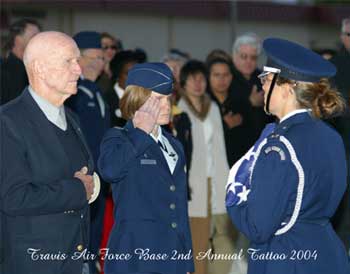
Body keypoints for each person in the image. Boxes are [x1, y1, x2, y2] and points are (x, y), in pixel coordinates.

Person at [226, 37, 349, 274]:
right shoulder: (331, 136)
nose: (262, 85)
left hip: (287, 257)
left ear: (288, 88)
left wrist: (234, 195)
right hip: (326, 253)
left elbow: (257, 226)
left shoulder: (280, 145)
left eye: (268, 79)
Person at [0, 31, 96, 274]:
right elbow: (13, 197)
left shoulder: (72, 119)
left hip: (76, 258)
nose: (78, 70)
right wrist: (77, 190)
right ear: (40, 68)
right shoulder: (8, 122)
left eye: (78, 61)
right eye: (69, 61)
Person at [98, 62, 194, 274]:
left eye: (169, 98)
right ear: (137, 99)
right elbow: (110, 171)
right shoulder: (118, 138)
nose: (167, 105)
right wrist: (140, 132)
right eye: (158, 99)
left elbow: (179, 206)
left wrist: (187, 261)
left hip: (171, 256)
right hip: (135, 254)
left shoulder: (174, 145)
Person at [178, 60, 234, 274]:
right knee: (198, 245)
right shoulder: (178, 110)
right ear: (183, 83)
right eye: (193, 78)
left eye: (201, 78)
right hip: (194, 185)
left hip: (218, 181)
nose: (198, 83)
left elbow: (220, 148)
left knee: (224, 245)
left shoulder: (212, 108)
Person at [66, 31, 110, 274]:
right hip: (83, 176)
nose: (96, 62)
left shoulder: (96, 91)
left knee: (95, 235)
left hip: (100, 177)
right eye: (90, 57)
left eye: (101, 58)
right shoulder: (75, 93)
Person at [230, 33, 271, 165]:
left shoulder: (263, 78)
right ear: (234, 56)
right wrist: (250, 103)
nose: (248, 61)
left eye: (253, 58)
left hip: (260, 148)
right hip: (235, 149)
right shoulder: (227, 78)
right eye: (244, 57)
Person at [0, 18, 41, 105]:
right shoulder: (4, 72)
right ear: (18, 39)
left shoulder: (38, 70)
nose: (39, 41)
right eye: (34, 37)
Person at [105, 50, 137, 127]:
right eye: (128, 74)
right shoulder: (106, 100)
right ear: (117, 75)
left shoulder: (145, 99)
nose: (134, 78)